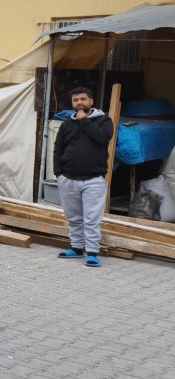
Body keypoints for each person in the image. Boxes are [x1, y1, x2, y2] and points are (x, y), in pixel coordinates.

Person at [53, 86, 113, 268]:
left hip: (93, 179)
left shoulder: (104, 121)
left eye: (83, 99)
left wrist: (84, 120)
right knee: (73, 217)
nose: (79, 103)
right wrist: (59, 174)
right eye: (75, 100)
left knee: (92, 218)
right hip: (68, 179)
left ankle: (92, 253)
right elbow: (58, 149)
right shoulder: (66, 125)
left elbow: (102, 139)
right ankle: (77, 248)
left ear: (91, 101)